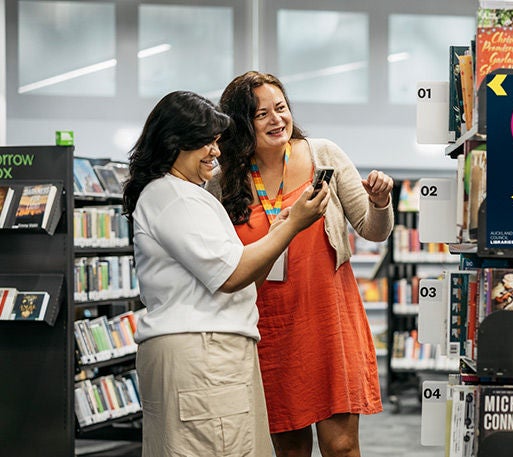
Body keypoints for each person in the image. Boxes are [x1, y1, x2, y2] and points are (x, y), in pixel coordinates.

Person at [122, 90, 329, 457]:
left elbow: (244, 279)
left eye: (217, 142)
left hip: (215, 352)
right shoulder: (174, 198)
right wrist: (292, 225)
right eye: (206, 143)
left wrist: (278, 230)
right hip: (203, 354)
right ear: (175, 143)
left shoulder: (184, 195)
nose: (216, 153)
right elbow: (231, 276)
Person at [209, 71, 394, 457]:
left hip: (328, 317)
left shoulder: (322, 154)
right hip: (269, 328)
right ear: (242, 124)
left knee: (341, 446)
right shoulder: (224, 180)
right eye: (262, 114)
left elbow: (373, 231)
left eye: (281, 108)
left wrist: (380, 203)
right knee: (290, 451)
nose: (277, 120)